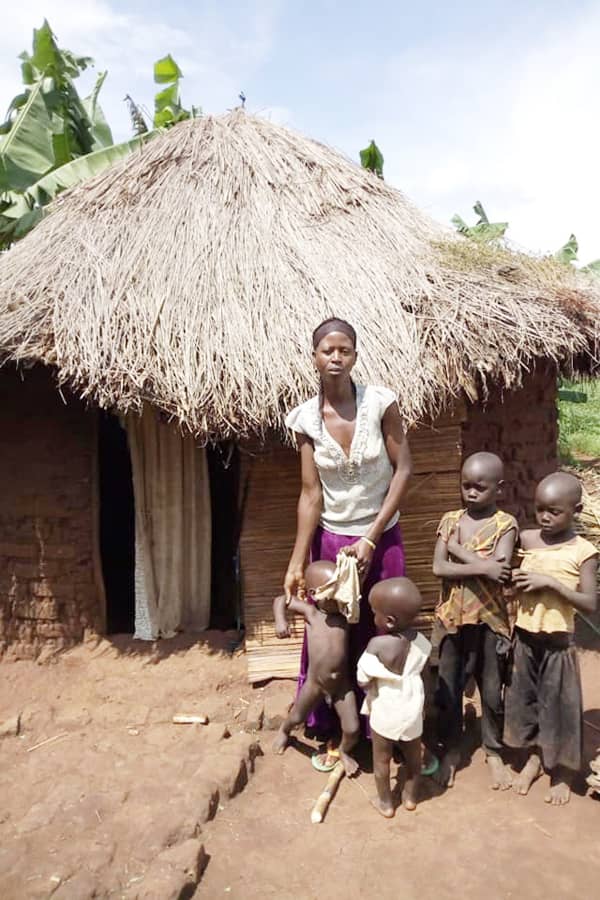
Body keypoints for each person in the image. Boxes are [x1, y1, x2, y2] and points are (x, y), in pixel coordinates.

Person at [284, 317, 412, 765]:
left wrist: (372, 537)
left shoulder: (381, 403)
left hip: (382, 538)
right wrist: (296, 562)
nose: (336, 358)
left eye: (345, 350)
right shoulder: (304, 419)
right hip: (332, 546)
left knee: (383, 631)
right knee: (335, 641)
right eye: (328, 350)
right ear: (314, 357)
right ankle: (337, 730)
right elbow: (310, 493)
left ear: (355, 355)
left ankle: (389, 731)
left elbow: (404, 470)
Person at [504, 472, 597, 805]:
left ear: (576, 510)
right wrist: (515, 582)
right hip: (525, 636)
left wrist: (551, 584)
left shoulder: (583, 551)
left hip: (559, 641)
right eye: (539, 509)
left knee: (561, 706)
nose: (544, 517)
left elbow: (590, 603)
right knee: (525, 702)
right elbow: (512, 580)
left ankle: (562, 772)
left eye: (554, 511)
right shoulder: (528, 540)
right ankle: (533, 758)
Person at [432, 452, 518, 790]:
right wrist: (484, 566)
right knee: (449, 687)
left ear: (499, 488)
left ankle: (493, 751)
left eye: (479, 487)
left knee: (493, 690)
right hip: (452, 619)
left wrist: (458, 552)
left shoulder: (505, 525)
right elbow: (439, 567)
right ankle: (452, 749)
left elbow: (502, 571)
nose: (470, 492)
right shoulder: (450, 520)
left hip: (490, 622)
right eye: (465, 485)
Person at [272, 560, 359, 776]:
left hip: (342, 686)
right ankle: (284, 731)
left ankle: (343, 751)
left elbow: (359, 580)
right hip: (315, 684)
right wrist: (280, 621)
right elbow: (281, 600)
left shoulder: (346, 614)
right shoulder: (311, 613)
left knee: (352, 728)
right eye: (332, 592)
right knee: (297, 717)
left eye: (339, 589)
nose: (338, 595)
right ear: (314, 593)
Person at [357, 577, 431, 815]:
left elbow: (362, 679)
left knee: (381, 760)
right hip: (413, 709)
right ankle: (410, 798)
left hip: (386, 709)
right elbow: (426, 677)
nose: (373, 616)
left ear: (389, 620)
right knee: (414, 759)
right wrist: (425, 705)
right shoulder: (423, 643)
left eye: (374, 613)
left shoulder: (376, 645)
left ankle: (386, 804)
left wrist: (373, 682)